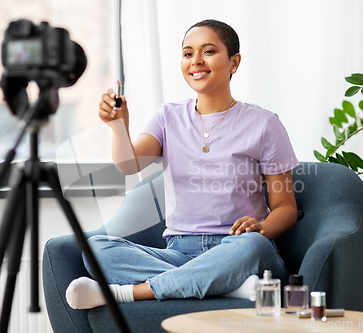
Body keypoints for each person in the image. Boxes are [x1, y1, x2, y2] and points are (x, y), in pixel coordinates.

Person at [65, 19, 299, 309]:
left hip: (237, 246)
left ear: (234, 62)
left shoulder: (264, 124)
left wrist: (260, 228)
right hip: (178, 251)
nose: (196, 61)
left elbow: (286, 207)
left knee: (253, 247)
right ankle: (226, 288)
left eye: (209, 51)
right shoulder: (167, 118)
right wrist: (118, 127)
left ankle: (128, 292)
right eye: (188, 53)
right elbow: (129, 164)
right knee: (96, 249)